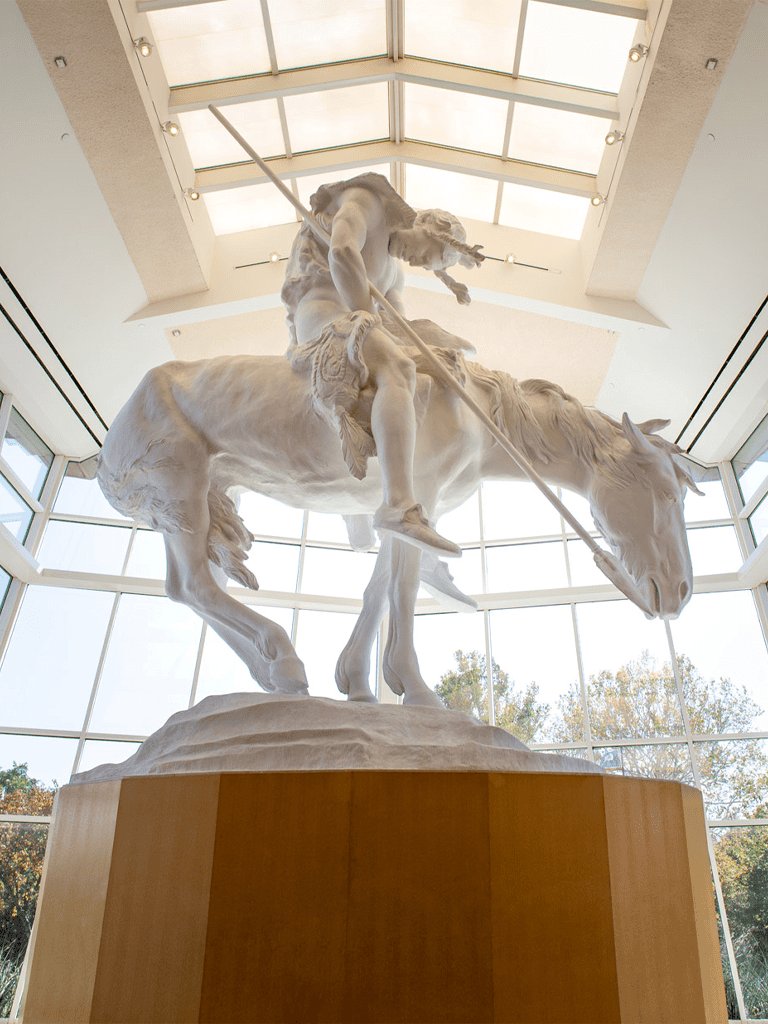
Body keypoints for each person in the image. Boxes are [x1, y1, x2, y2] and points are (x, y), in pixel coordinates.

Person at [281, 172, 483, 557]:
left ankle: (361, 494)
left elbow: (399, 325)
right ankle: (398, 505)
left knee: (419, 367)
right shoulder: (365, 201)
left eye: (427, 264)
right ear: (425, 225)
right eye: (425, 252)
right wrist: (367, 320)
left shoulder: (394, 274)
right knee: (398, 369)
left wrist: (437, 341)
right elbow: (342, 252)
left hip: (359, 323)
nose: (417, 261)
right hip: (321, 309)